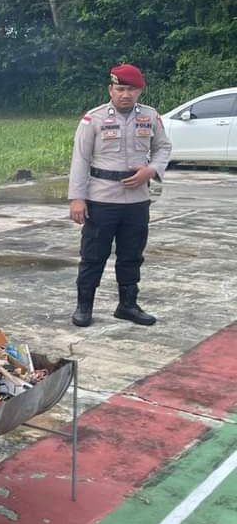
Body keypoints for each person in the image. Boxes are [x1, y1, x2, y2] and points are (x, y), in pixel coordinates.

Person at [69, 63, 171, 327]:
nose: (126, 94)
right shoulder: (94, 119)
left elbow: (163, 148)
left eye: (132, 90)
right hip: (102, 198)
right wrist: (77, 199)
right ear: (110, 90)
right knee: (93, 255)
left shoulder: (150, 116)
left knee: (132, 254)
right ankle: (84, 306)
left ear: (140, 91)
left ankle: (127, 305)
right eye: (120, 88)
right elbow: (80, 159)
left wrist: (151, 171)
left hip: (137, 200)